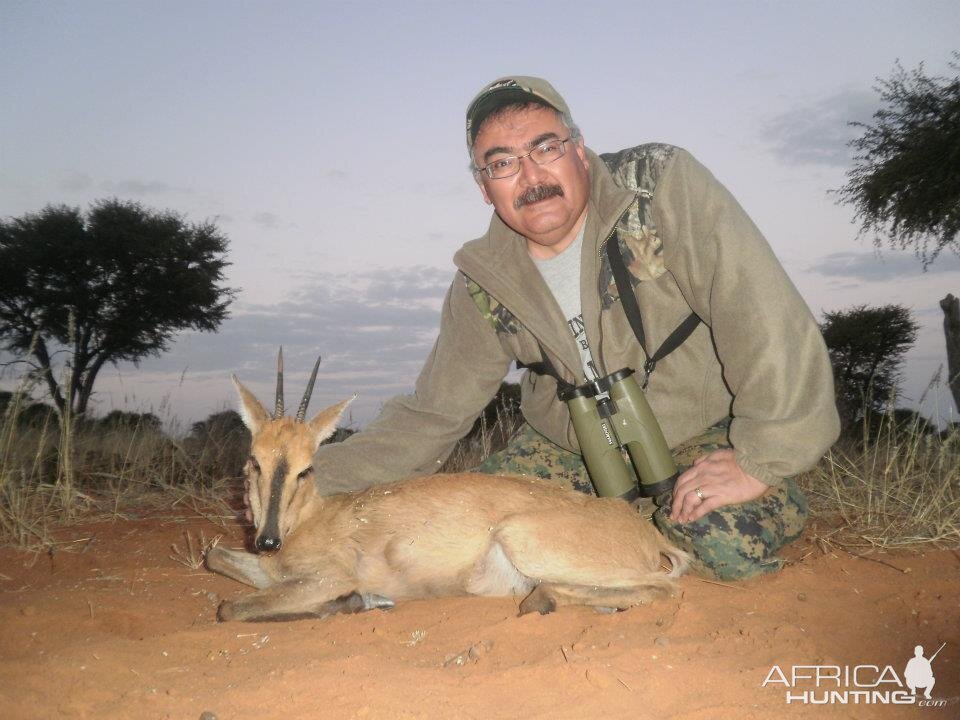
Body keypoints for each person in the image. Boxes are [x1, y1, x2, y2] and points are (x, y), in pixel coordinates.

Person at [310, 76, 840, 580]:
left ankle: (759, 495)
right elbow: (434, 413)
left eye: (546, 148)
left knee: (720, 547)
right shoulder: (481, 278)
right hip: (569, 451)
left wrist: (760, 459)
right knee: (457, 539)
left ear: (579, 151)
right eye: (502, 163)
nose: (531, 176)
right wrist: (306, 481)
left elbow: (760, 313)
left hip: (703, 434)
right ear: (483, 186)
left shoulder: (660, 187)